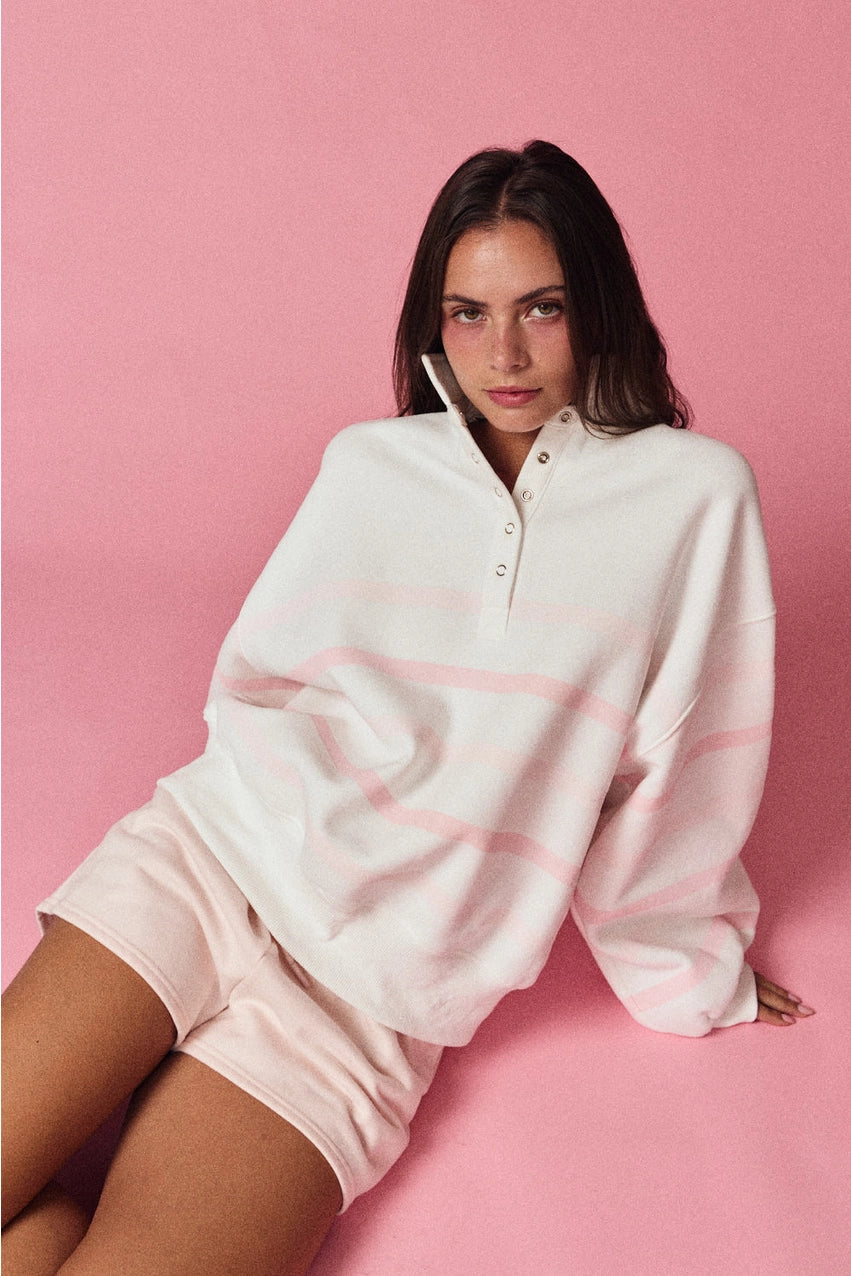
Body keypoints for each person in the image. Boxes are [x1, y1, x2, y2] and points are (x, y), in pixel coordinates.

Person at [2, 140, 814, 1275]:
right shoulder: (370, 467)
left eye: (541, 308)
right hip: (204, 869)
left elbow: (674, 766)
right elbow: (262, 683)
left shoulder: (692, 497)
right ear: (433, 321)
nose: (503, 355)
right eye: (467, 314)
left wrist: (687, 966)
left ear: (599, 305)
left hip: (367, 1006)